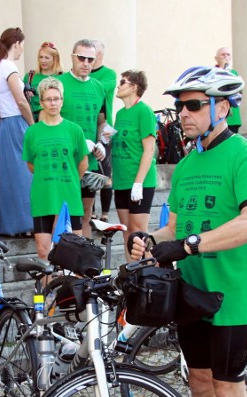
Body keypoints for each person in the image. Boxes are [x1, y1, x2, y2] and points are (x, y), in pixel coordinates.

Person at [129, 66, 247, 397]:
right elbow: (177, 223)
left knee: (230, 389)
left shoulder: (246, 156)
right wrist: (153, 241)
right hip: (193, 292)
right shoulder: (188, 164)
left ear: (222, 107)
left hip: (233, 293)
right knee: (199, 384)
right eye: (180, 106)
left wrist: (189, 244)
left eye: (193, 105)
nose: (184, 114)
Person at [22, 77, 89, 261]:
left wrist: (70, 179)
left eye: (56, 98)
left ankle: (70, 290)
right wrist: (48, 176)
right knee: (44, 252)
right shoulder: (32, 132)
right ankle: (46, 290)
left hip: (69, 197)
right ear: (42, 102)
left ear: (62, 100)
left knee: (73, 253)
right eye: (48, 99)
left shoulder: (74, 130)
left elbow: (83, 163)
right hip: (43, 197)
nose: (53, 103)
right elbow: (30, 164)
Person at [0, 27, 34, 237]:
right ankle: (26, 224)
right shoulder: (9, 66)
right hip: (17, 123)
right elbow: (21, 101)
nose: (22, 50)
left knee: (9, 175)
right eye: (22, 45)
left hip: (5, 124)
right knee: (24, 174)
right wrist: (33, 126)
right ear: (16, 43)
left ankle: (11, 224)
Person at [59, 39, 106, 237]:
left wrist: (103, 143)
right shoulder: (59, 84)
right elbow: (51, 120)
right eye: (81, 58)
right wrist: (77, 142)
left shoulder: (98, 87)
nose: (86, 63)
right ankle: (61, 264)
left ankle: (84, 263)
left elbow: (102, 121)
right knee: (64, 213)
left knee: (86, 213)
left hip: (89, 162)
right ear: (72, 58)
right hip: (64, 161)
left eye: (90, 59)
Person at [111, 70, 157, 245]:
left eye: (122, 82)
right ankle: (131, 272)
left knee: (138, 232)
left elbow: (149, 149)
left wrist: (138, 183)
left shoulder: (144, 111)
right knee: (126, 231)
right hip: (122, 181)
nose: (118, 85)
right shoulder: (120, 114)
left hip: (139, 181)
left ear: (133, 87)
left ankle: (144, 271)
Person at [91, 40, 117, 223]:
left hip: (105, 127)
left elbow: (100, 89)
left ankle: (105, 213)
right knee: (89, 170)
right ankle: (91, 212)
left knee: (105, 171)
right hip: (87, 127)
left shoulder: (109, 74)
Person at [23, 41, 62, 122]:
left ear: (55, 59)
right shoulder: (30, 76)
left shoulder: (61, 77)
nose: (43, 61)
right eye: (41, 57)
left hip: (53, 121)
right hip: (31, 121)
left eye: (47, 58)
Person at [214, 46, 242, 134]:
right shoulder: (213, 72)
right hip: (218, 116)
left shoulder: (234, 73)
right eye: (223, 55)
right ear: (216, 58)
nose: (226, 57)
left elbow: (237, 93)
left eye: (228, 55)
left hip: (232, 117)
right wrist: (222, 69)